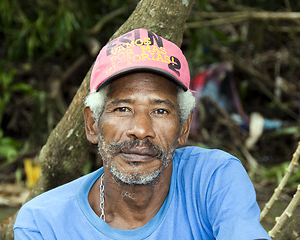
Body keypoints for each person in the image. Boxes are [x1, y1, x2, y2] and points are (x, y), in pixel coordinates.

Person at [14, 28, 271, 240]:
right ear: (93, 125)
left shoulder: (214, 179)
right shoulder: (44, 224)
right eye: (123, 108)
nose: (141, 129)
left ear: (183, 128)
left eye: (160, 110)